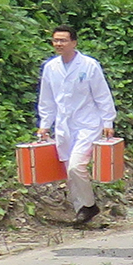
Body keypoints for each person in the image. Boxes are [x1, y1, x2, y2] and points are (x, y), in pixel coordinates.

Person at [34, 26, 117, 227]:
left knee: (76, 166)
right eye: (55, 40)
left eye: (63, 40)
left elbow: (101, 94)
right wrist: (44, 124)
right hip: (64, 126)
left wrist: (108, 121)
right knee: (69, 170)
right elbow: (47, 99)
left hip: (88, 123)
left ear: (74, 42)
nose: (58, 44)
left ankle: (89, 206)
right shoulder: (51, 68)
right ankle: (81, 210)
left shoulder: (89, 66)